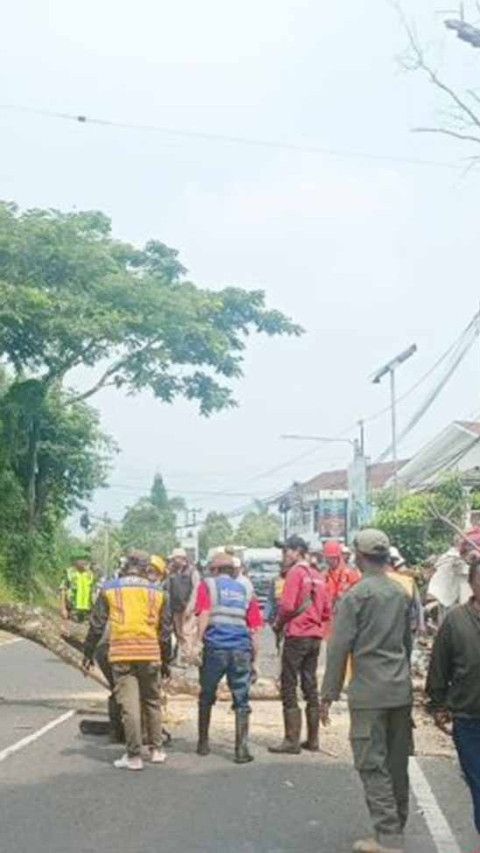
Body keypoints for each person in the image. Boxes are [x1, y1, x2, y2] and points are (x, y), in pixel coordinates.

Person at [320, 529, 413, 853]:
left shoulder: (356, 596)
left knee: (373, 765)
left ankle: (389, 838)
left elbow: (338, 648)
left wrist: (327, 695)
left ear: (359, 556)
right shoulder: (401, 593)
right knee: (397, 764)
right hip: (400, 691)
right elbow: (407, 644)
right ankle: (396, 828)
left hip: (369, 693)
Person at [83, 549, 172, 771]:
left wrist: (88, 653)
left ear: (125, 566)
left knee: (130, 705)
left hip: (122, 653)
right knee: (152, 701)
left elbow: (97, 625)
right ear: (146, 568)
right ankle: (157, 750)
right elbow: (165, 631)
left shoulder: (110, 589)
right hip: (150, 653)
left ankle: (134, 756)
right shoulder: (158, 591)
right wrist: (166, 661)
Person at [426, 554, 480, 838]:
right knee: (479, 784)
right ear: (472, 583)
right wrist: (437, 703)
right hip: (469, 718)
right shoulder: (456, 620)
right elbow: (439, 664)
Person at [195, 552, 263, 764]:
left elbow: (204, 613)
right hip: (241, 649)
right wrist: (255, 660)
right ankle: (241, 750)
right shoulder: (244, 590)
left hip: (215, 647)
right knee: (241, 699)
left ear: (214, 570)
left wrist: (198, 641)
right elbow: (254, 628)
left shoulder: (208, 585)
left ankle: (203, 743)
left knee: (206, 694)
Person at [269, 535, 331, 755]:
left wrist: (278, 624)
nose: (284, 556)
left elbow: (286, 605)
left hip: (297, 634)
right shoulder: (318, 575)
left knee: (288, 684)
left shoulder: (296, 573)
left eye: (286, 551)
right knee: (310, 684)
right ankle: (313, 740)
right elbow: (326, 611)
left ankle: (291, 740)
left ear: (297, 551)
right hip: (314, 636)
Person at [167, 547, 200, 666]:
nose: (175, 561)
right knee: (179, 633)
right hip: (176, 608)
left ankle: (188, 657)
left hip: (189, 608)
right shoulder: (171, 572)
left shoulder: (192, 571)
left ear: (182, 558)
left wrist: (191, 606)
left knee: (187, 633)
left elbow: (196, 589)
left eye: (177, 558)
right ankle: (183, 657)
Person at [387, 547, 425, 636]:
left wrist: (421, 624)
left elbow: (417, 604)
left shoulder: (407, 580)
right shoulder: (407, 580)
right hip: (404, 624)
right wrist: (421, 625)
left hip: (401, 624)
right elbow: (418, 604)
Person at [324, 540, 361, 611]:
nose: (330, 561)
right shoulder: (324, 575)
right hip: (331, 613)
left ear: (338, 556)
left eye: (333, 558)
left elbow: (358, 594)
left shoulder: (350, 573)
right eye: (328, 558)